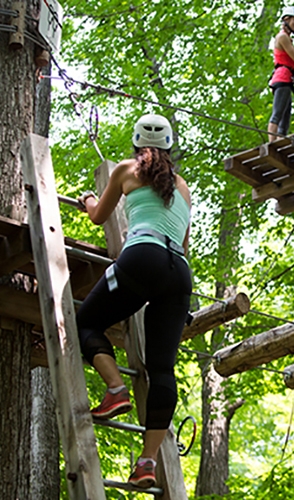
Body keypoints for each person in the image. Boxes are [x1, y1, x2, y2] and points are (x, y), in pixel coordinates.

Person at [75, 113, 192, 489]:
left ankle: (115, 389)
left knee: (84, 322)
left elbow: (98, 217)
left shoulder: (126, 169)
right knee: (162, 369)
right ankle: (147, 462)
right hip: (179, 272)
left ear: (136, 143)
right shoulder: (182, 187)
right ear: (169, 147)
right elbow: (184, 242)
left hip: (143, 256)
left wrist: (89, 199)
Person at [267, 6, 294, 143]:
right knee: (278, 114)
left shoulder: (286, 38)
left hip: (286, 79)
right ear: (286, 19)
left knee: (285, 116)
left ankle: (280, 141)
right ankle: (272, 143)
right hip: (282, 78)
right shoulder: (282, 37)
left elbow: (293, 61)